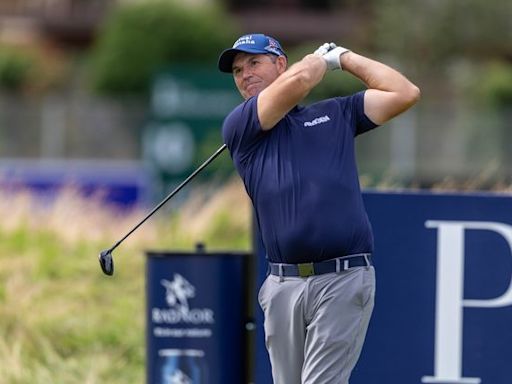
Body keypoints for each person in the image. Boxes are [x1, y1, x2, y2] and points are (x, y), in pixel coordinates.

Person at [217, 33, 420, 384]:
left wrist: (345, 58)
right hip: (283, 286)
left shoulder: (335, 114)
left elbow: (404, 93)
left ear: (280, 63)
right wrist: (318, 61)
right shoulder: (241, 126)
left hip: (343, 278)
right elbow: (298, 81)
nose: (244, 74)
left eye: (253, 63)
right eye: (237, 70)